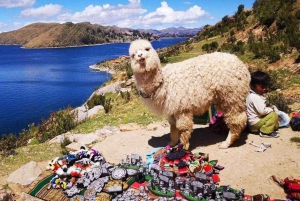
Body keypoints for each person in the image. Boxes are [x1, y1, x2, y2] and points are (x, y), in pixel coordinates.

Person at [246, 70, 280, 138]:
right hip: (254, 124)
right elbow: (262, 111)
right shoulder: (255, 97)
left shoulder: (252, 95)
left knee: (275, 121)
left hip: (253, 123)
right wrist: (271, 109)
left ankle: (267, 128)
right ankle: (265, 132)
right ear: (252, 85)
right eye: (262, 87)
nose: (264, 89)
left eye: (266, 87)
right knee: (273, 115)